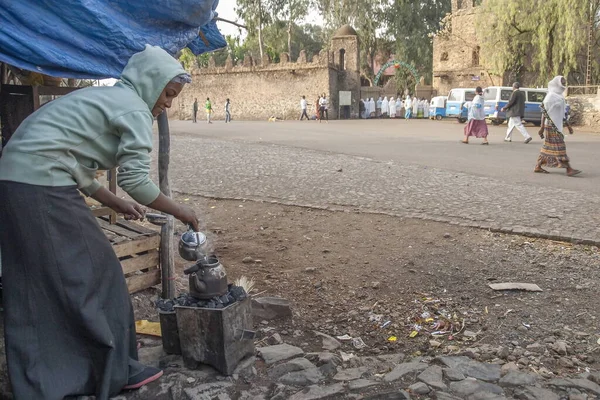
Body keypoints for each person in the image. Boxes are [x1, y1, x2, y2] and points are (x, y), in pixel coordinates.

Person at [0, 45, 199, 400]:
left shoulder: (107, 99)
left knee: (36, 281)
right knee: (99, 272)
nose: (168, 104)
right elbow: (136, 180)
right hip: (39, 181)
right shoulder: (135, 110)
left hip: (16, 177)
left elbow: (76, 164)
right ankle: (112, 369)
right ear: (151, 83)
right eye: (168, 94)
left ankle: (44, 378)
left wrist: (114, 203)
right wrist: (183, 212)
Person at [534, 76, 581, 176]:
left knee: (548, 147)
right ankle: (569, 169)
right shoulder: (550, 96)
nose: (564, 84)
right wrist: (542, 127)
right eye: (562, 82)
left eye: (564, 83)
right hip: (550, 126)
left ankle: (538, 166)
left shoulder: (559, 97)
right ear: (557, 84)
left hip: (557, 125)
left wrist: (568, 126)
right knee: (560, 147)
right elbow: (543, 110)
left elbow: (562, 113)